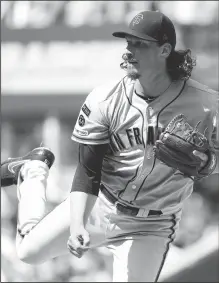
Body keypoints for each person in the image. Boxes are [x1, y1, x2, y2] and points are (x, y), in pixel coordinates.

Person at [1, 10, 218, 282]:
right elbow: (88, 171)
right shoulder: (105, 99)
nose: (129, 51)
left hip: (151, 225)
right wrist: (78, 223)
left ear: (164, 50)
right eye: (128, 43)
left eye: (140, 44)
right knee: (27, 253)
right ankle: (33, 172)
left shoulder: (207, 105)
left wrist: (210, 164)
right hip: (101, 204)